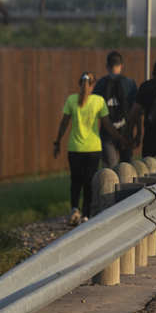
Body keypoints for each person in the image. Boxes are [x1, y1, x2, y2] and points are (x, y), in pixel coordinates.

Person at [53, 72, 126, 225]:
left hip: (75, 147)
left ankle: (74, 209)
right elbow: (107, 124)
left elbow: (64, 123)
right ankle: (86, 214)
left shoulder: (72, 100)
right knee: (89, 182)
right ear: (93, 85)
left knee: (75, 180)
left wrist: (58, 141)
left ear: (80, 84)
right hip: (93, 148)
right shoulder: (98, 101)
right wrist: (119, 138)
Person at [93, 51, 138, 167]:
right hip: (126, 131)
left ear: (107, 66)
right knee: (127, 170)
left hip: (107, 133)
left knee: (110, 170)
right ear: (121, 65)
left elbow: (97, 112)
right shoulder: (130, 83)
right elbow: (137, 110)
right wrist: (138, 133)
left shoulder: (100, 85)